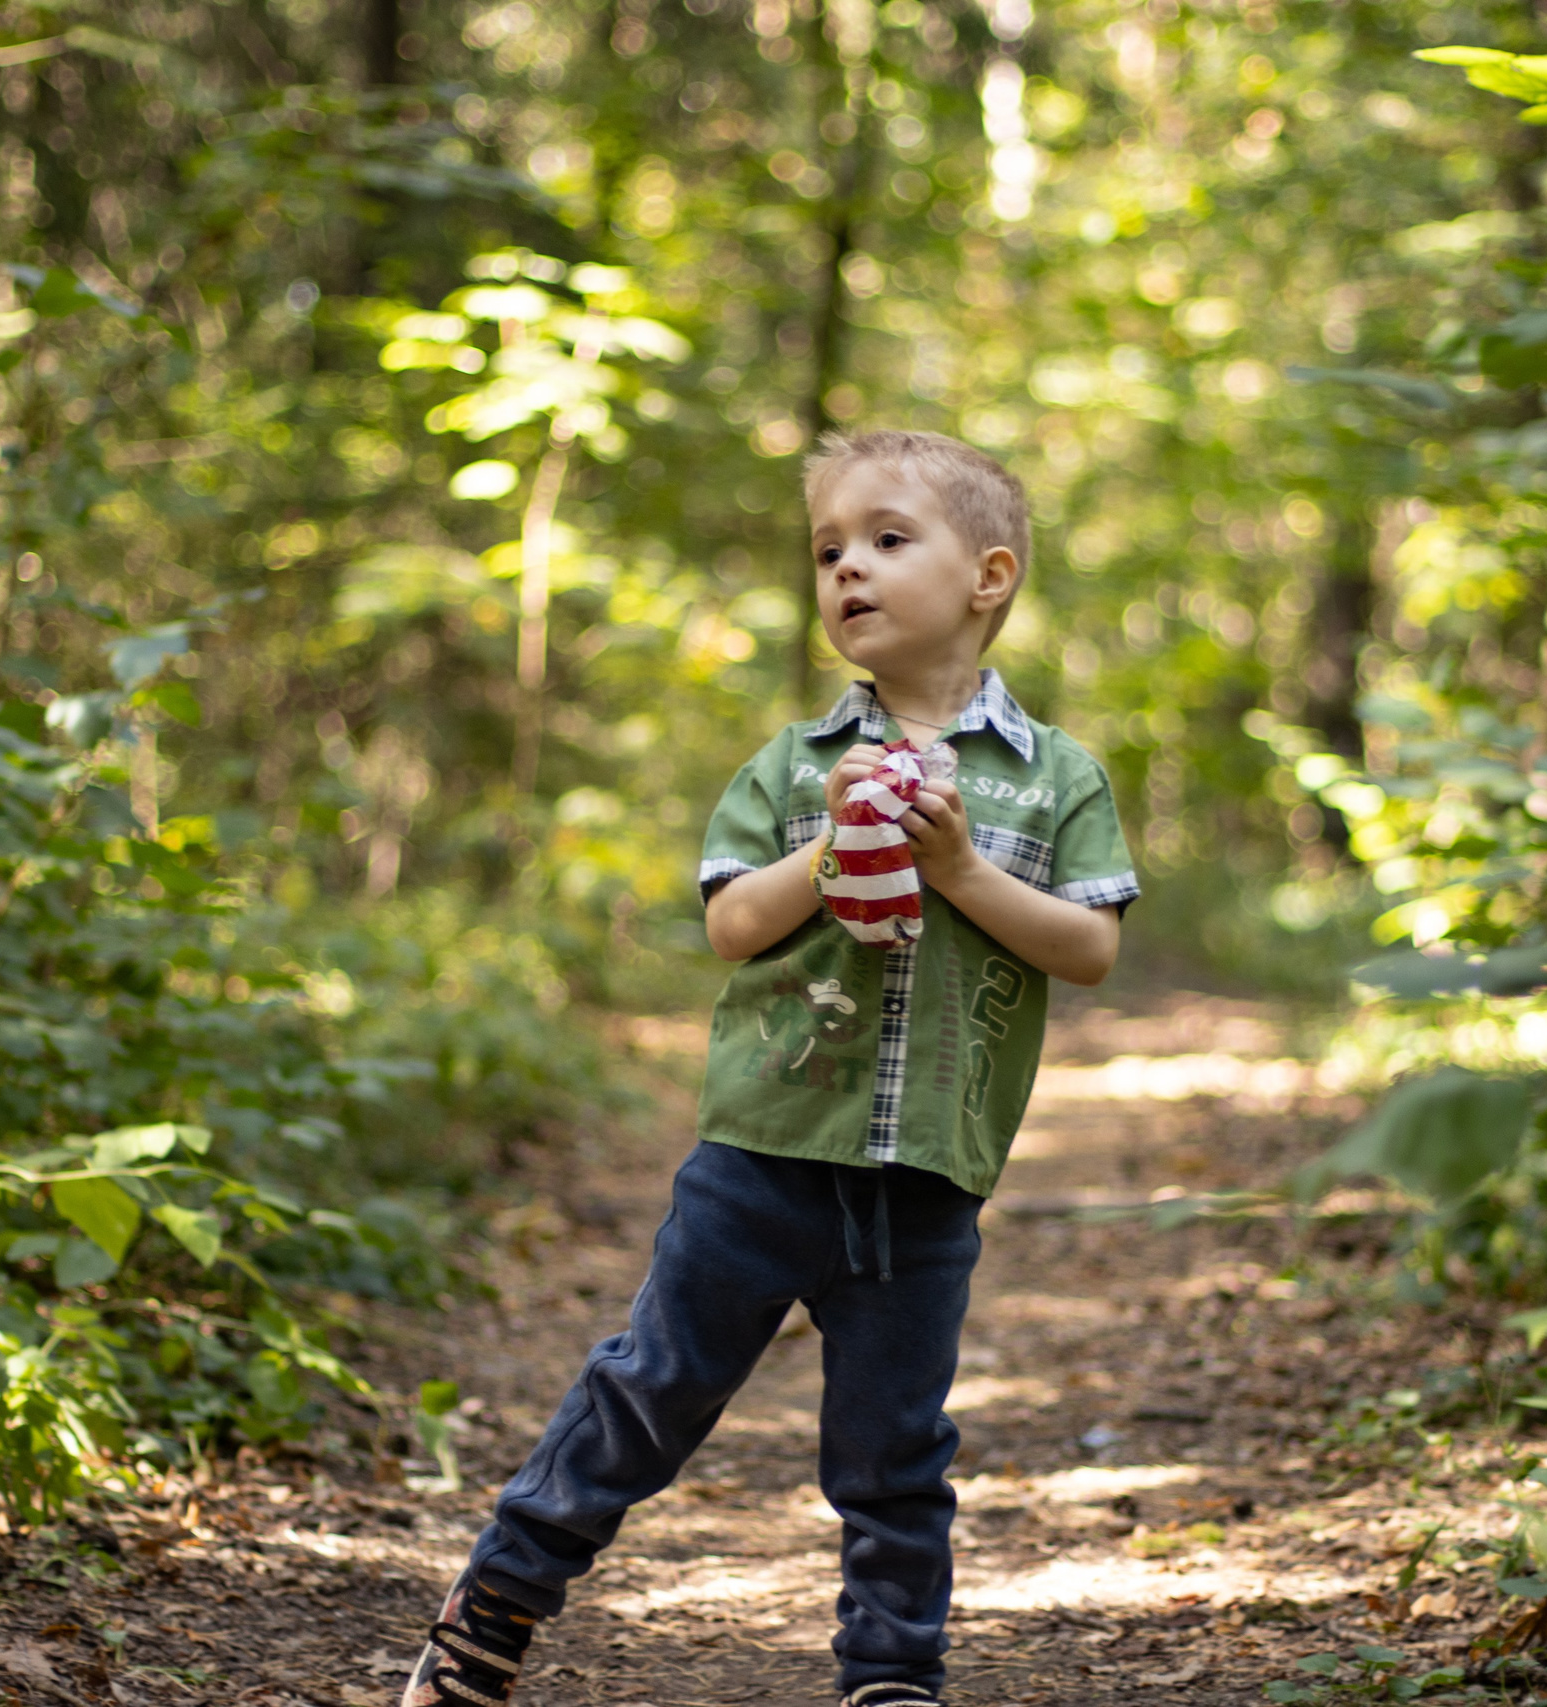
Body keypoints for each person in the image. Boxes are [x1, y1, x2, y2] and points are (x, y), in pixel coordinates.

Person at [400, 429, 1140, 1707]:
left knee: (894, 1450)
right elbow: (732, 923)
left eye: (887, 539)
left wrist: (961, 869)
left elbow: (1089, 950)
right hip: (761, 1153)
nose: (848, 567)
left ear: (989, 576)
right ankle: (494, 1608)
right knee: (649, 1394)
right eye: (828, 549)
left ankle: (890, 1676)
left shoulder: (1056, 777)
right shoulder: (792, 764)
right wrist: (834, 843)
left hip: (927, 1175)